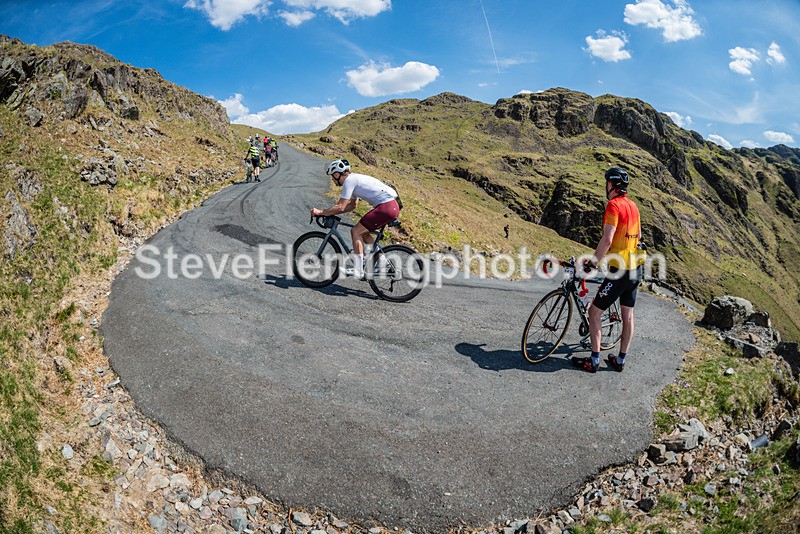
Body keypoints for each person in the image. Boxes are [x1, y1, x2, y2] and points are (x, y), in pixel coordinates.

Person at [572, 167, 642, 373]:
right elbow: (638, 237)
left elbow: (608, 238)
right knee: (628, 316)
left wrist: (592, 263)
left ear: (611, 185)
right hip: (635, 269)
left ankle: (593, 361)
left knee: (594, 312)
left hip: (619, 271)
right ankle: (620, 361)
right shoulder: (634, 206)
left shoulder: (613, 205)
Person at [310, 159, 401, 279]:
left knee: (355, 231)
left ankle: (359, 269)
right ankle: (381, 260)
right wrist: (328, 212)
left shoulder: (349, 181)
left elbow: (341, 206)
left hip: (387, 206)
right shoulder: (353, 180)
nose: (332, 179)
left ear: (337, 174)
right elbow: (352, 205)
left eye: (333, 176)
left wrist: (321, 212)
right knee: (364, 233)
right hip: (390, 205)